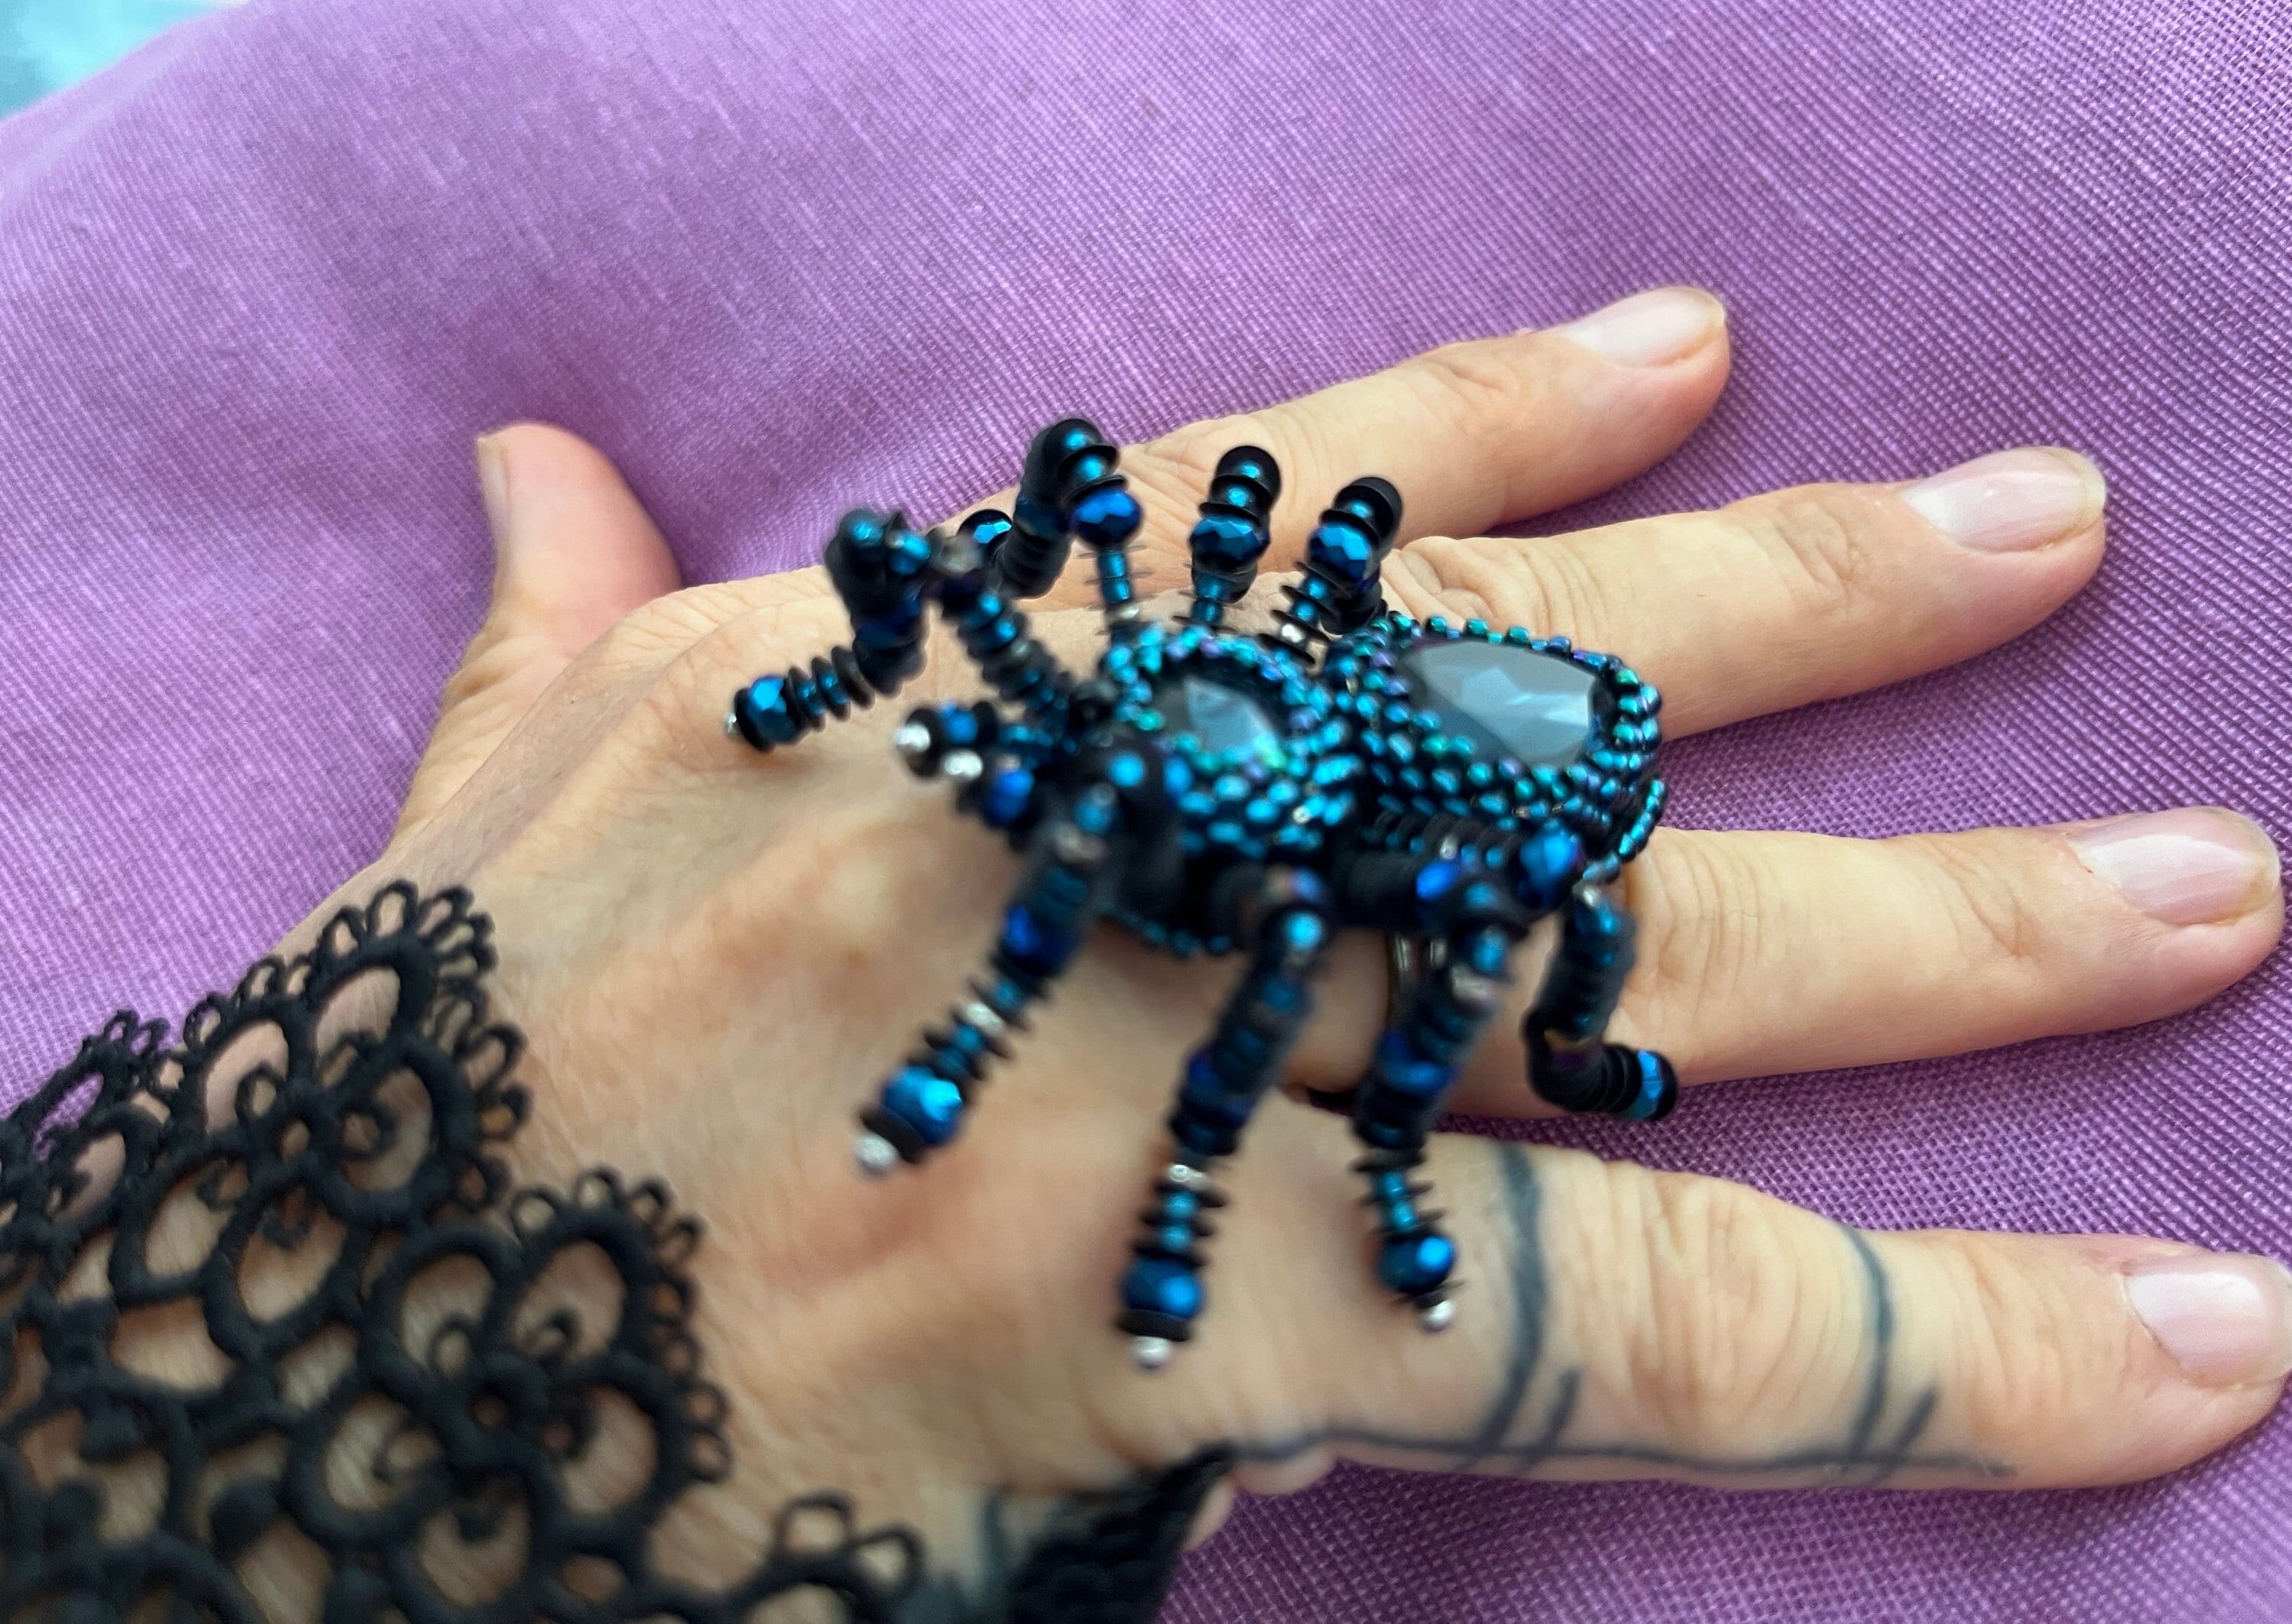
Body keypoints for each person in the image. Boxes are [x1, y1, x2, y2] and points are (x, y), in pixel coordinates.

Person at [6, 291, 2282, 1619]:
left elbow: (1458, 906)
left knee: (1428, 944)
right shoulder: (1117, 696)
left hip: (1454, 747)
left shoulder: (1317, 832)